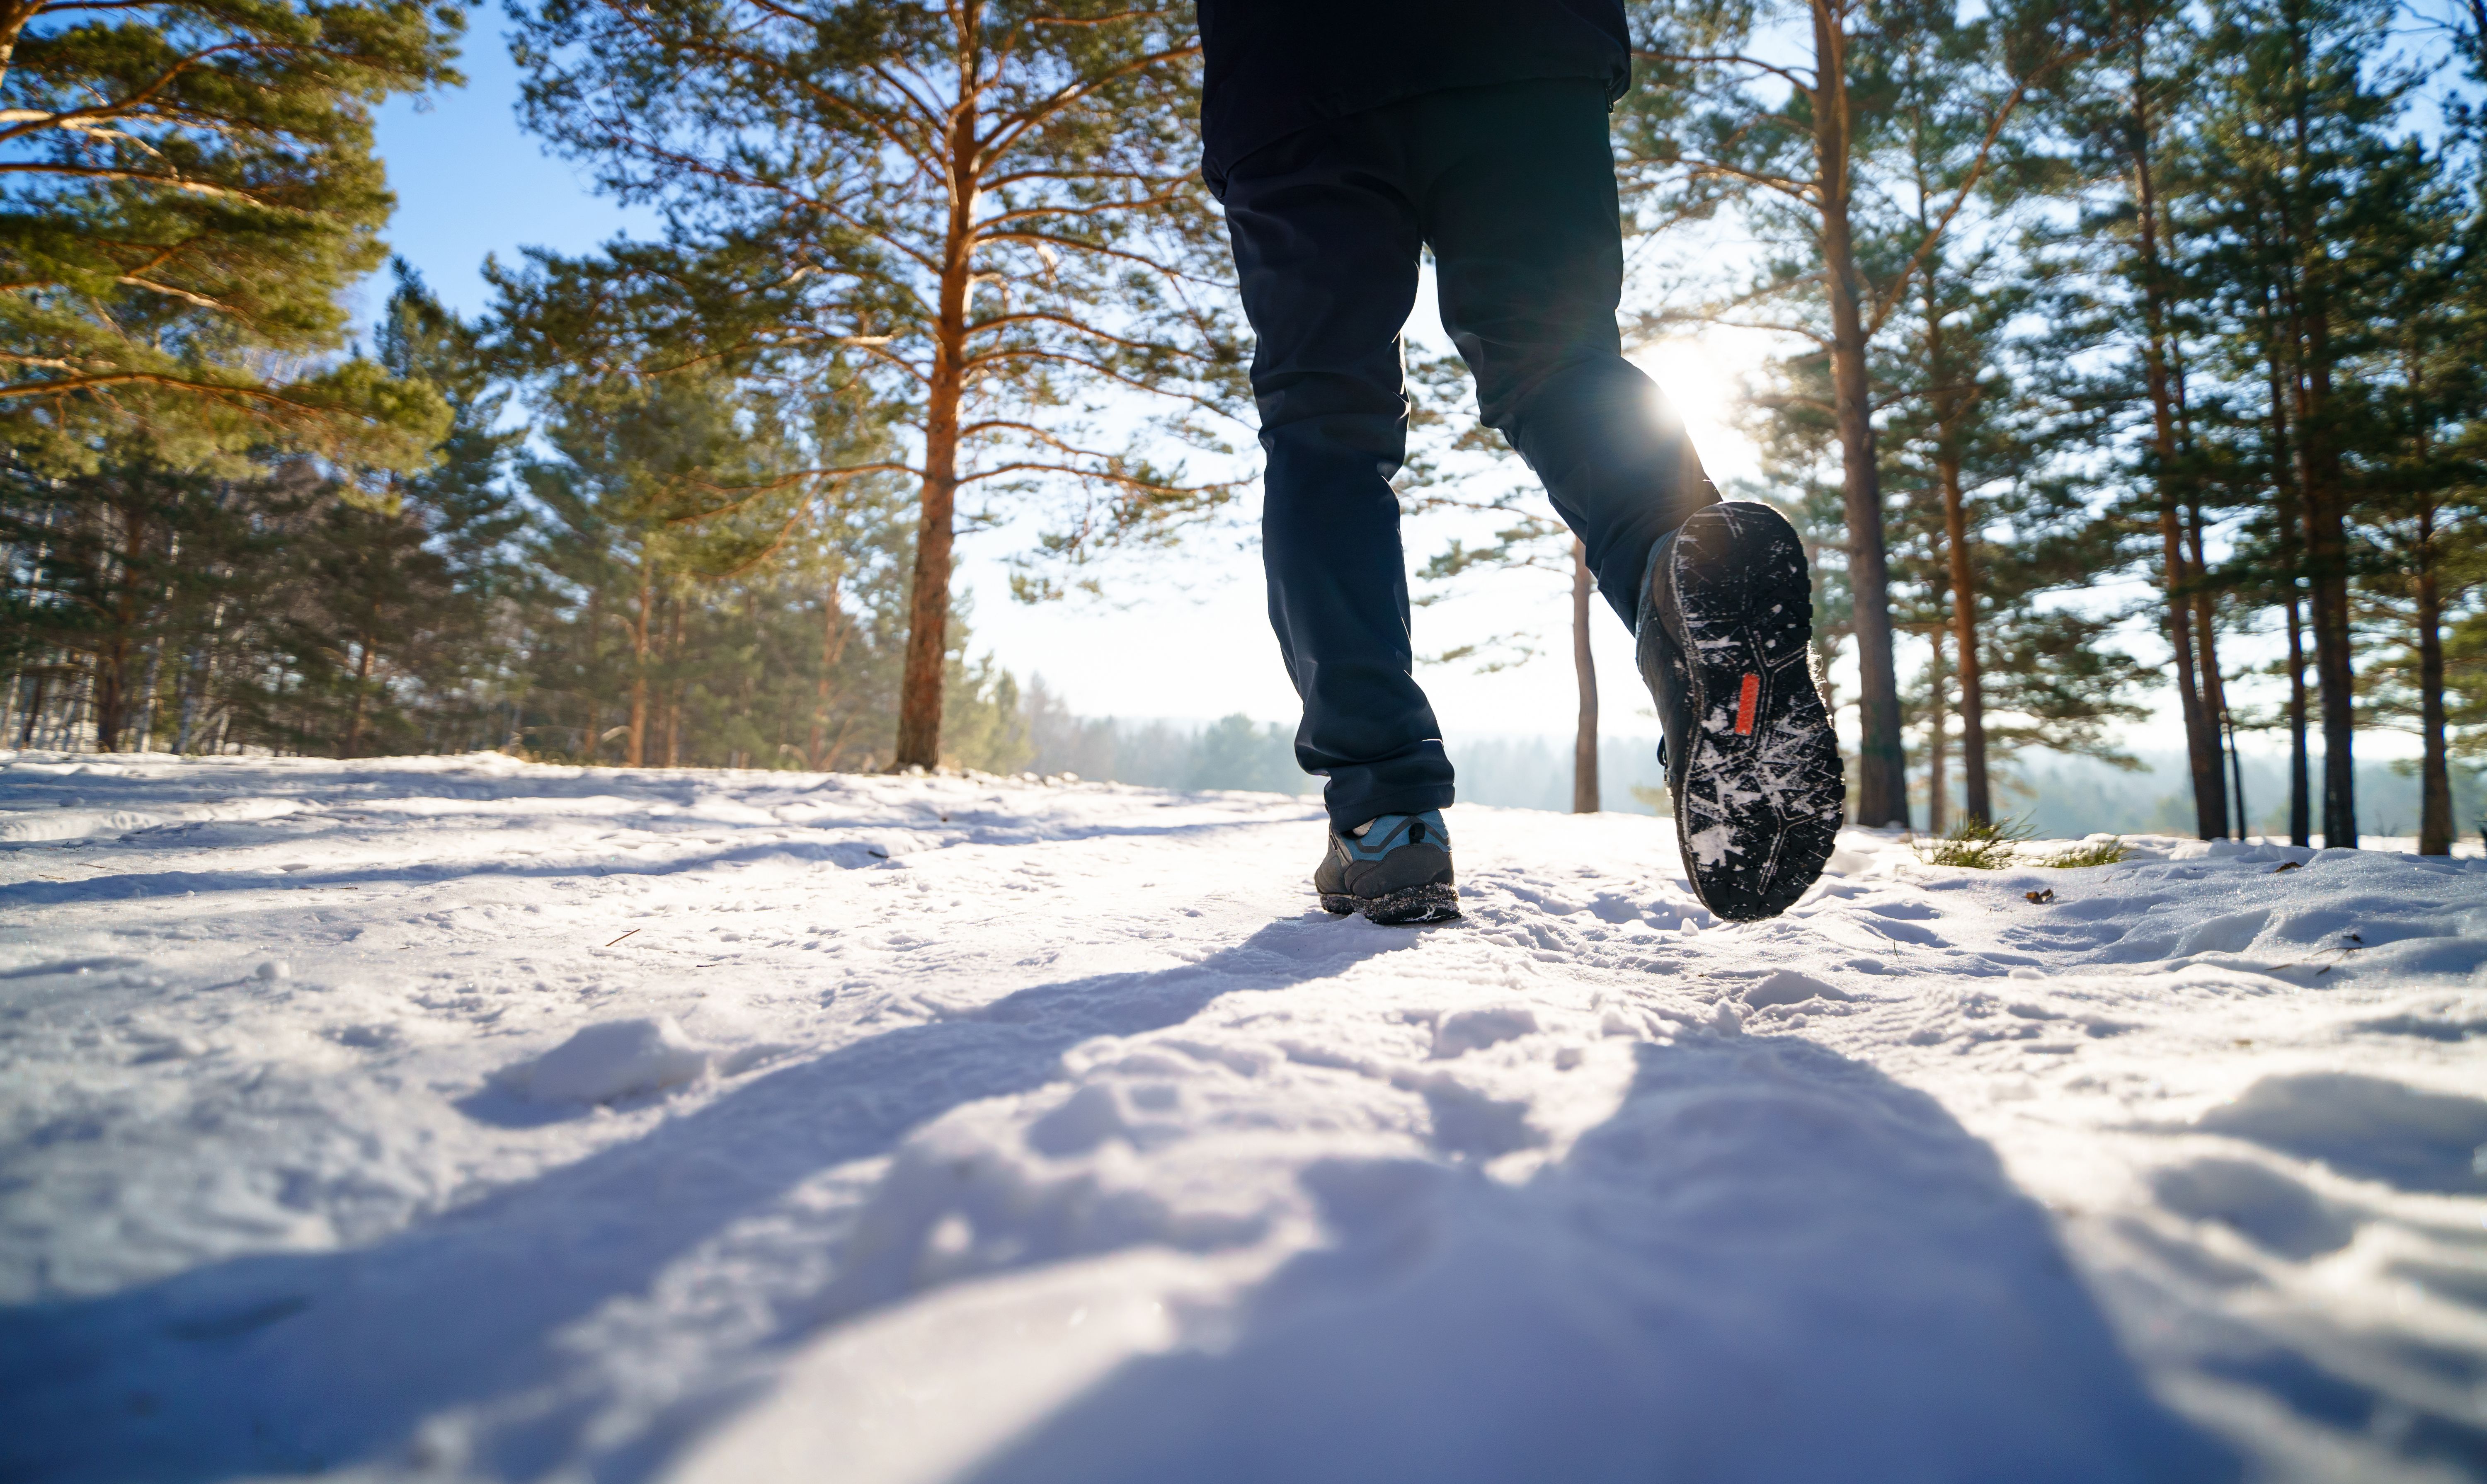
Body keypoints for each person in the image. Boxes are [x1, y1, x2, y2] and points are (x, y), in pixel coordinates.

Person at [1199, 0, 1845, 925]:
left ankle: (1386, 817)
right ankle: (1677, 574)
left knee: (1322, 429)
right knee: (1560, 362)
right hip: (1526, 49)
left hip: (1294, 72)